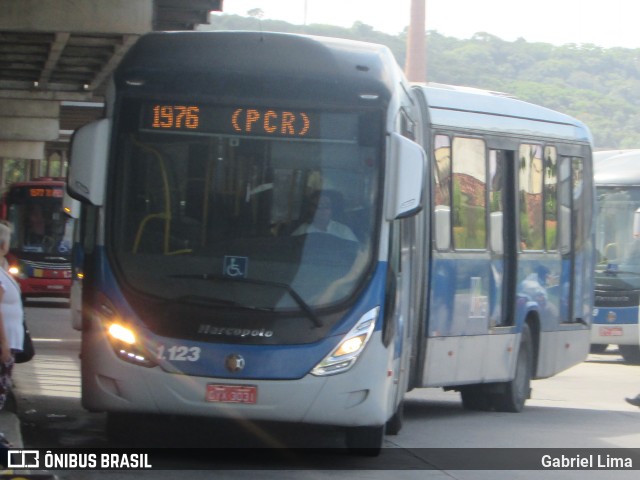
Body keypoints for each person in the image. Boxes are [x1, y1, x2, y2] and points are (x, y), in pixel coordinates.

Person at [0, 220, 25, 448]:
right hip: (2, 343)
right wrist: (3, 343)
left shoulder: (2, 270)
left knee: (3, 388)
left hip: (8, 341)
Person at [292, 190, 358, 242]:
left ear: (333, 209)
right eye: (318, 206)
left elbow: (357, 253)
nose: (322, 210)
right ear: (311, 209)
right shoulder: (303, 230)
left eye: (326, 206)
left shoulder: (344, 231)